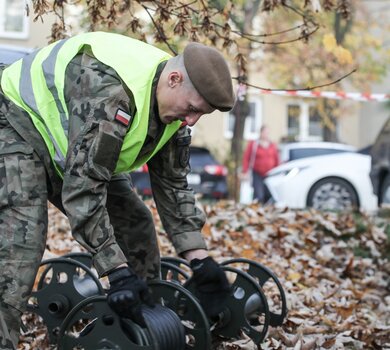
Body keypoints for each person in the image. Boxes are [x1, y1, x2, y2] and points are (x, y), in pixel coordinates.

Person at [0, 31, 235, 349]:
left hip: (67, 146)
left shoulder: (175, 114)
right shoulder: (112, 94)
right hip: (14, 122)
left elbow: (174, 186)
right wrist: (116, 271)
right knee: (23, 239)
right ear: (174, 79)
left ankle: (141, 330)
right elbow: (84, 189)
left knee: (135, 220)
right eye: (192, 108)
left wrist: (200, 259)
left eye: (201, 115)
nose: (192, 120)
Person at [242, 125, 279, 203]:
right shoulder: (254, 144)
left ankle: (263, 212)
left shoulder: (272, 145)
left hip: (269, 174)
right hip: (257, 173)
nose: (266, 135)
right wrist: (245, 171)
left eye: (267, 133)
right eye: (264, 132)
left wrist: (278, 172)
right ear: (261, 133)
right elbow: (246, 158)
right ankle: (256, 210)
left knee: (269, 195)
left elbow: (276, 159)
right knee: (259, 195)